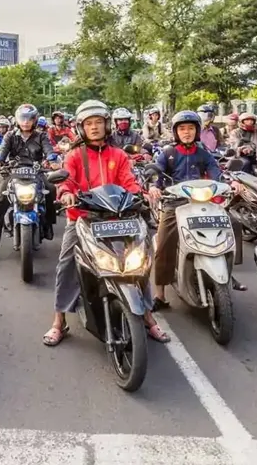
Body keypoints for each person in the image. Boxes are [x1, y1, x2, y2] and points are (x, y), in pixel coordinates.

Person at [45, 100, 164, 346]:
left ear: (106, 125)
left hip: (118, 219)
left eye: (98, 122)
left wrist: (142, 193)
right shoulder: (75, 155)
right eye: (89, 123)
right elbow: (66, 182)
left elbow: (128, 181)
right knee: (66, 264)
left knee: (140, 260)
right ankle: (59, 321)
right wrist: (66, 193)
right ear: (81, 128)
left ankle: (148, 316)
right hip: (83, 218)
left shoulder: (118, 155)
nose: (95, 127)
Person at [150, 110, 247, 311]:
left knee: (232, 225)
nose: (187, 132)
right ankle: (160, 293)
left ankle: (228, 274)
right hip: (175, 203)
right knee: (164, 242)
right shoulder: (168, 153)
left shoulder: (203, 152)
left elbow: (216, 174)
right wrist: (153, 186)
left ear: (197, 131)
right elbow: (155, 175)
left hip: (202, 200)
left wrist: (231, 183)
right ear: (176, 132)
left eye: (191, 128)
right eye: (182, 129)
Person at [0, 103, 56, 264]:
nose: (26, 122)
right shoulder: (10, 136)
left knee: (51, 188)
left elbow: (49, 151)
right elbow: (2, 152)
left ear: (34, 120)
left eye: (29, 119)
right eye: (22, 118)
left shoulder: (42, 136)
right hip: (14, 173)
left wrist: (53, 160)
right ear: (17, 120)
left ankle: (48, 225)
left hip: (37, 173)